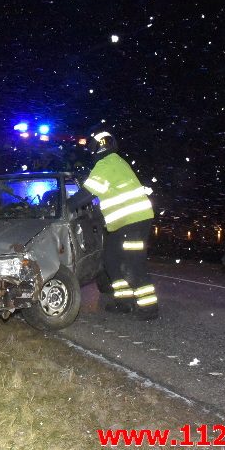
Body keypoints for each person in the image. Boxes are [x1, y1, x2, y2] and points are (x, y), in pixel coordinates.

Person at [68, 130, 159, 320]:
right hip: (124, 224)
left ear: (94, 148)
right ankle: (124, 302)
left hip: (133, 222)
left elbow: (86, 195)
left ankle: (149, 309)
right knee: (111, 262)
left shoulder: (106, 164)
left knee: (133, 265)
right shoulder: (116, 161)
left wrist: (64, 206)